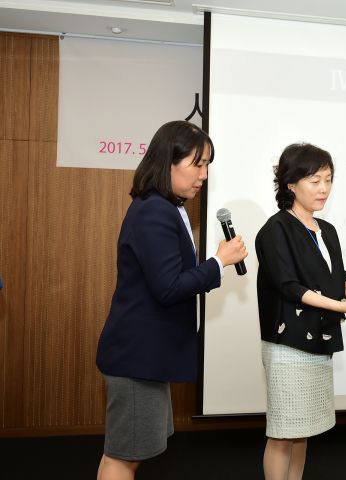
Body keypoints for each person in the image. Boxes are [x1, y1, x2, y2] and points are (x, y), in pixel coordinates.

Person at [95, 120, 248, 480]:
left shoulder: (168, 207)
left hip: (148, 356)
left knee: (131, 454)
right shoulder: (154, 210)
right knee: (123, 457)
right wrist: (218, 262)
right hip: (137, 357)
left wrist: (215, 264)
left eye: (207, 165)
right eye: (198, 164)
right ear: (168, 162)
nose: (204, 175)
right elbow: (168, 288)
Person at [255, 143, 346, 480]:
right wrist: (343, 306)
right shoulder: (276, 229)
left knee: (303, 430)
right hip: (287, 345)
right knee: (284, 431)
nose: (324, 188)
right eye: (314, 180)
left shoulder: (328, 231)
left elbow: (335, 277)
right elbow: (290, 287)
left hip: (318, 341)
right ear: (290, 184)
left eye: (328, 179)